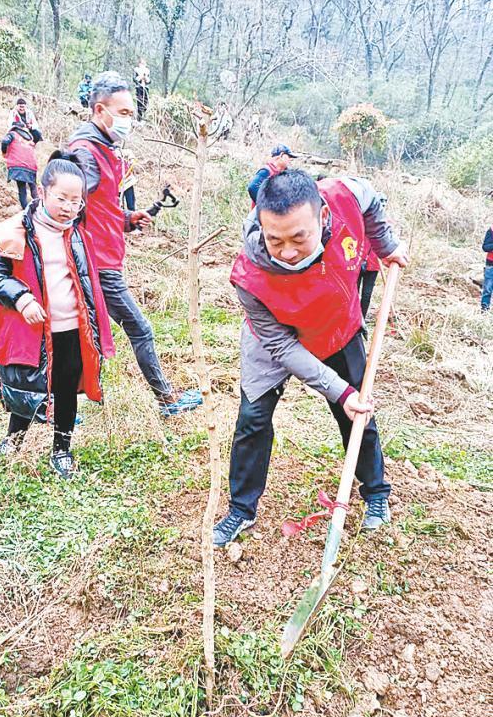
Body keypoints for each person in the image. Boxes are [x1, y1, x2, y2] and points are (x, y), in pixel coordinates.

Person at [213, 169, 409, 547]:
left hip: (337, 326)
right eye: (275, 240)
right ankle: (241, 509)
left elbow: (369, 200)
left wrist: (385, 245)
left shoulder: (345, 195)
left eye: (299, 237)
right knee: (252, 420)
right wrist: (338, 389)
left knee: (357, 412)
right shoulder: (249, 277)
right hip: (274, 343)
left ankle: (376, 493)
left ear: (321, 216)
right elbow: (283, 348)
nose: (287, 251)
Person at [68, 71, 202, 416]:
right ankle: (166, 400)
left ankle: (54, 406)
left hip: (101, 258)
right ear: (100, 111)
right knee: (136, 328)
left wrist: (128, 218)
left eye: (132, 113)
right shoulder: (84, 153)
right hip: (94, 264)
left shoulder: (104, 150)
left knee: (75, 333)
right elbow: (66, 206)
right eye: (124, 113)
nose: (130, 120)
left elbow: (99, 208)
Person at [0, 151, 114, 479]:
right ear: (42, 192)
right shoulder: (14, 232)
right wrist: (21, 298)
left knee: (66, 388)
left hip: (70, 329)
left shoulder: (77, 233)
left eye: (76, 201)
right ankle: (13, 441)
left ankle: (62, 450)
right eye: (62, 198)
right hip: (33, 330)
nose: (69, 207)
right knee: (27, 388)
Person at [1, 120, 42, 209]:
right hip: (31, 165)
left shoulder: (12, 134)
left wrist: (4, 153)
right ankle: (40, 207)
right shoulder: (29, 138)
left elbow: (4, 142)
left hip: (18, 164)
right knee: (33, 187)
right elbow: (38, 136)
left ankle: (26, 210)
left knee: (22, 189)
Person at [481, 226, 493, 312]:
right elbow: (485, 247)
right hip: (491, 264)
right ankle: (484, 310)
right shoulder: (491, 230)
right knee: (487, 289)